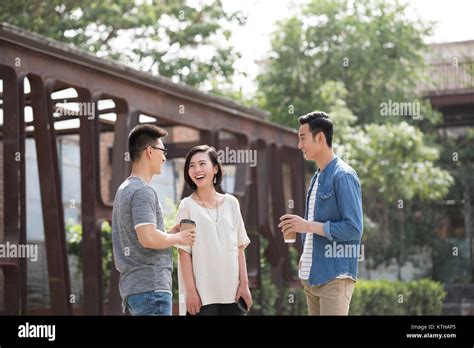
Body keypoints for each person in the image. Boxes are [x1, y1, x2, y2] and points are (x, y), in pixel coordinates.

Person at [278, 111, 363, 315]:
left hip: (334, 277)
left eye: (302, 138)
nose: (299, 145)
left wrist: (305, 226)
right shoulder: (318, 177)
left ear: (320, 138)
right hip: (312, 276)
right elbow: (318, 224)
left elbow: (353, 229)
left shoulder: (343, 176)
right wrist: (307, 252)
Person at [111, 124, 195, 315]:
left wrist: (169, 235)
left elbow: (144, 237)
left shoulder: (124, 189)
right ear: (149, 151)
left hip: (134, 291)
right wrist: (180, 238)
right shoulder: (143, 191)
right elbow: (148, 238)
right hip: (151, 290)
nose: (164, 157)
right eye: (162, 151)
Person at [176, 145, 252, 315]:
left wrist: (244, 284)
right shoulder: (186, 206)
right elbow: (184, 252)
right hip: (202, 296)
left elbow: (239, 247)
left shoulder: (232, 203)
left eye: (202, 164)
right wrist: (191, 292)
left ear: (215, 168)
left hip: (232, 294)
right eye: (191, 166)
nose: (197, 170)